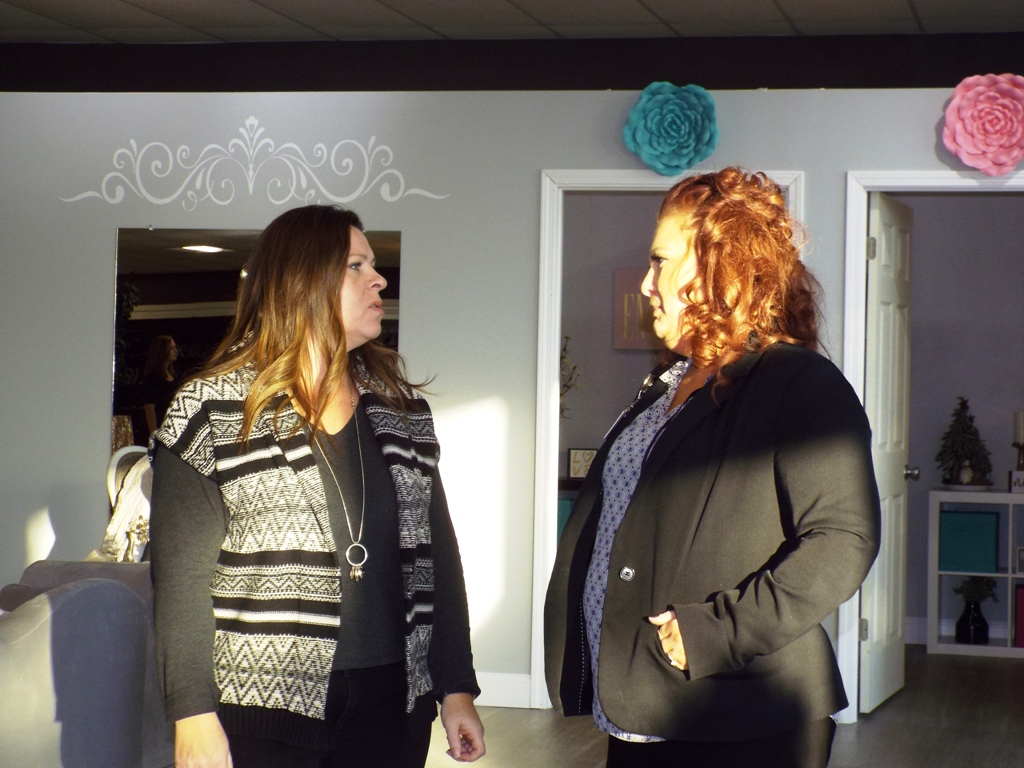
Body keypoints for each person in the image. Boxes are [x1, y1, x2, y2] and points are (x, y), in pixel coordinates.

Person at [544, 168, 881, 768]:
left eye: (660, 262)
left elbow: (843, 539)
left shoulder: (798, 382)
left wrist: (718, 632)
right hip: (640, 708)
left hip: (740, 717)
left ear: (721, 268)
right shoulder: (667, 384)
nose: (646, 284)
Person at [149, 205, 485, 768]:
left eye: (373, 265)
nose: (379, 280)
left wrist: (456, 688)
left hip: (393, 706)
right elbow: (181, 584)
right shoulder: (211, 410)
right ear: (301, 281)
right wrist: (192, 713)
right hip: (260, 712)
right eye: (357, 266)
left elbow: (439, 559)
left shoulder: (402, 413)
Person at [142, 334, 179, 434]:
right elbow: (149, 408)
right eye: (172, 348)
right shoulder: (152, 378)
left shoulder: (173, 375)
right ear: (163, 351)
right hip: (161, 427)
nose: (176, 351)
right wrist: (154, 433)